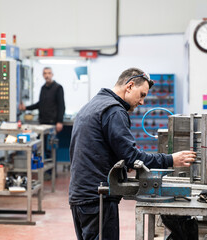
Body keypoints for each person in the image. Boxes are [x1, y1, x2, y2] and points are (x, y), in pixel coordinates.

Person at [69, 67, 196, 240]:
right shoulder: (114, 111)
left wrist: (120, 164)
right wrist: (171, 159)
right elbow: (133, 157)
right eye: (142, 95)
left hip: (81, 195)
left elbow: (98, 149)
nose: (142, 102)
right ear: (129, 86)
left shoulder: (93, 105)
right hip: (97, 198)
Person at [19, 67, 65, 132]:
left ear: (52, 75)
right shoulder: (43, 88)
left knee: (51, 141)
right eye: (45, 73)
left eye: (49, 73)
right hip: (43, 121)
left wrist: (60, 121)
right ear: (43, 75)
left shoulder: (58, 88)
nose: (47, 75)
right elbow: (40, 103)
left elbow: (61, 105)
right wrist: (26, 108)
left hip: (53, 122)